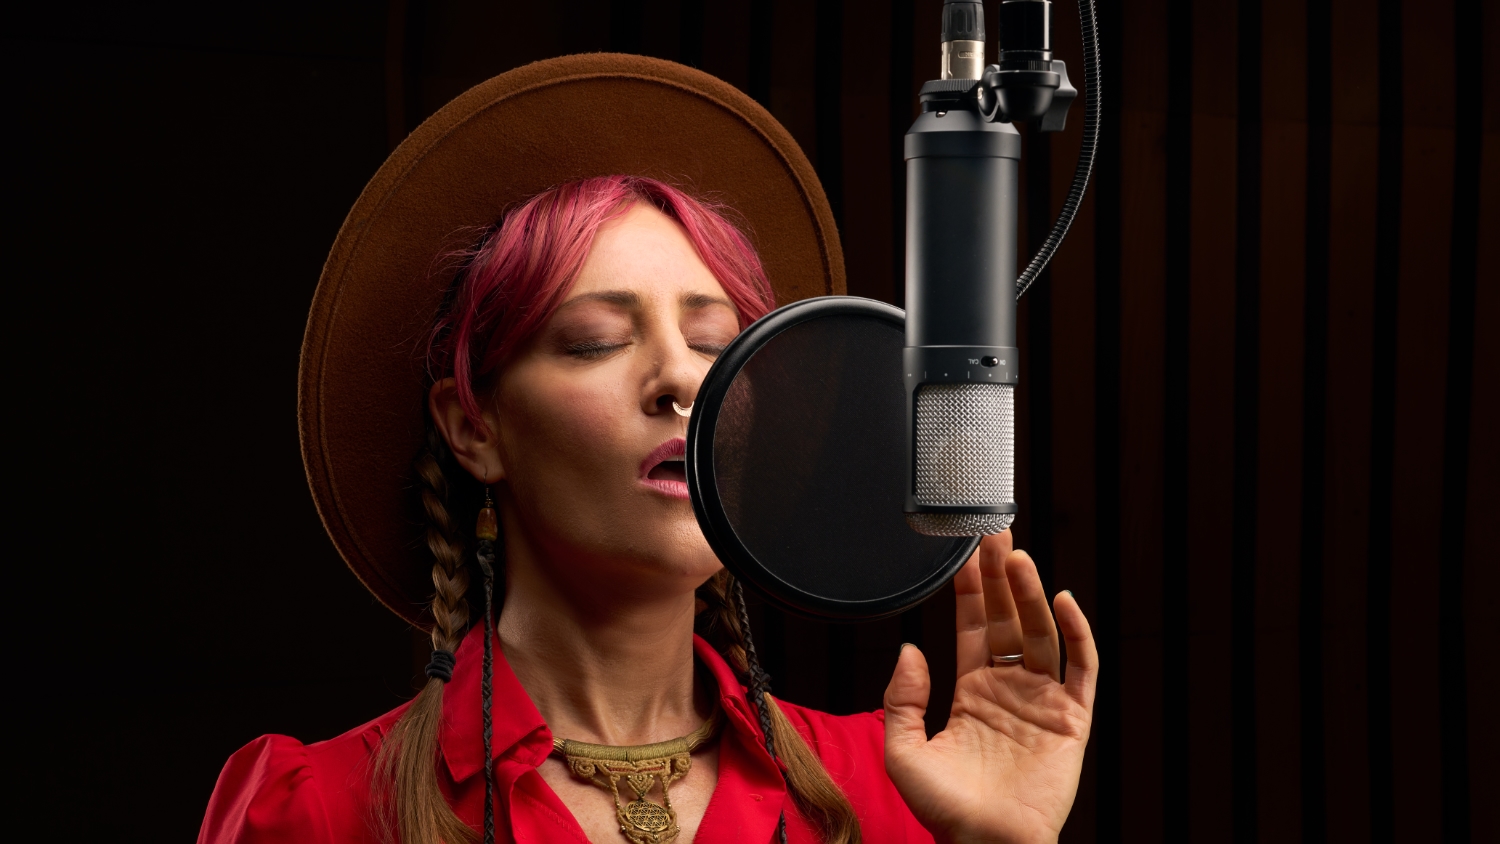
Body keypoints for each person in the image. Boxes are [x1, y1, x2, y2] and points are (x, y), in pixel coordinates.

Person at [199, 55, 1096, 844]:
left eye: (715, 344)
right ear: (475, 426)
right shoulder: (318, 809)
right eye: (595, 339)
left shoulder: (892, 785)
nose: (681, 379)